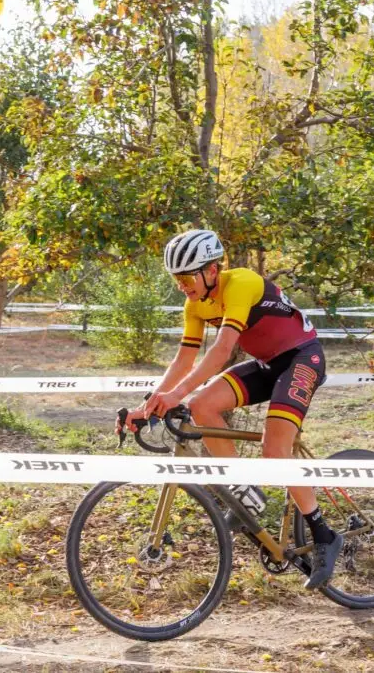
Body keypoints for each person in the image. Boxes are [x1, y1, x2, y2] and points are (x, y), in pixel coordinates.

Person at [119, 229, 343, 590]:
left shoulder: (240, 283)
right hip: (270, 365)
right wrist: (148, 406)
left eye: (187, 277)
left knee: (275, 451)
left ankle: (324, 534)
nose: (182, 286)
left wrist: (174, 394)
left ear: (211, 270)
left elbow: (222, 350)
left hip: (303, 357)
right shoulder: (195, 305)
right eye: (177, 279)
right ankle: (246, 492)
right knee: (201, 405)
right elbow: (184, 359)